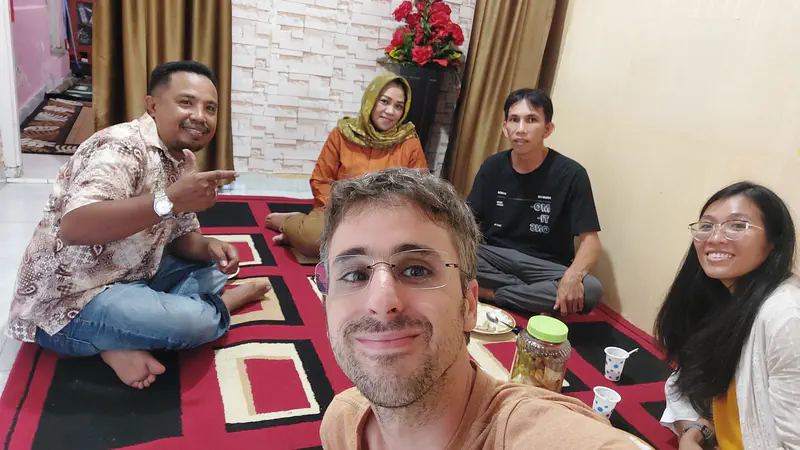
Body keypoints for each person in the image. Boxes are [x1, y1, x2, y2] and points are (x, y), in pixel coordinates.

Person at [317, 168, 637, 449]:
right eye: (355, 274)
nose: (381, 302)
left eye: (416, 270)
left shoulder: (537, 434)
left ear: (469, 305)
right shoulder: (342, 423)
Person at [5, 60, 271, 389]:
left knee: (215, 269)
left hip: (134, 272)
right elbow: (75, 226)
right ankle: (206, 311)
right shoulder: (118, 148)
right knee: (195, 322)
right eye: (186, 102)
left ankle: (125, 334)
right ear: (153, 106)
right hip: (74, 296)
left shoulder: (182, 158)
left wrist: (209, 246)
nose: (200, 116)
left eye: (210, 107)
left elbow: (181, 235)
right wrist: (169, 200)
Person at [655, 182, 800, 449]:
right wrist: (694, 433)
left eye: (737, 225)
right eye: (707, 226)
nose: (715, 238)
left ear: (773, 242)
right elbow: (690, 384)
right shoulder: (723, 295)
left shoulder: (786, 317)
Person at [467, 88, 603, 316]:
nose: (521, 129)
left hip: (544, 267)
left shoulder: (571, 174)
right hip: (495, 256)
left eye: (531, 120)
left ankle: (491, 294)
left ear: (547, 129)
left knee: (590, 289)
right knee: (450, 256)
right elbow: (466, 221)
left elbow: (591, 242)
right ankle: (532, 296)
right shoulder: (492, 167)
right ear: (504, 127)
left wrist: (572, 277)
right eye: (514, 120)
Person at [265, 72, 427, 257]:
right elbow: (321, 179)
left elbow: (419, 189)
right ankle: (290, 223)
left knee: (405, 251)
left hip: (387, 216)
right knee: (312, 240)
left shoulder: (409, 141)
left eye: (398, 106)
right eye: (384, 101)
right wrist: (343, 209)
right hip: (341, 209)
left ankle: (301, 234)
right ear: (370, 101)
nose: (390, 111)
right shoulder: (343, 133)